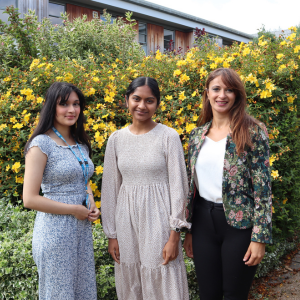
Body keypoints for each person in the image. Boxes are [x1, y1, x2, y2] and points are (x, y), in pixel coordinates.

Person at [183, 68, 272, 300]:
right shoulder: (196, 135)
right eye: (216, 89)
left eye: (229, 90)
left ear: (237, 95)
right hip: (203, 222)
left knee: (234, 294)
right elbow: (191, 187)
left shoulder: (252, 132)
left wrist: (259, 237)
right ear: (207, 93)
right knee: (208, 294)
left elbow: (263, 189)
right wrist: (189, 230)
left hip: (239, 227)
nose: (222, 95)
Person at [101, 76, 190, 300]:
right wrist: (112, 234)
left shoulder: (168, 136)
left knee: (162, 272)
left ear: (157, 104)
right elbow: (110, 189)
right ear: (127, 101)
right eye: (136, 99)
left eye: (149, 100)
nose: (142, 106)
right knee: (132, 281)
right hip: (126, 223)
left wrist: (174, 236)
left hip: (158, 222)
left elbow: (179, 187)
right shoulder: (116, 139)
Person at [23, 82, 100, 300]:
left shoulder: (80, 143)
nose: (72, 110)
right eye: (64, 104)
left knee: (83, 292)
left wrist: (90, 202)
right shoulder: (41, 144)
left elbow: (83, 180)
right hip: (54, 232)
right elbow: (29, 199)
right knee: (59, 294)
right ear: (51, 107)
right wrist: (73, 209)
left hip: (81, 231)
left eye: (76, 104)